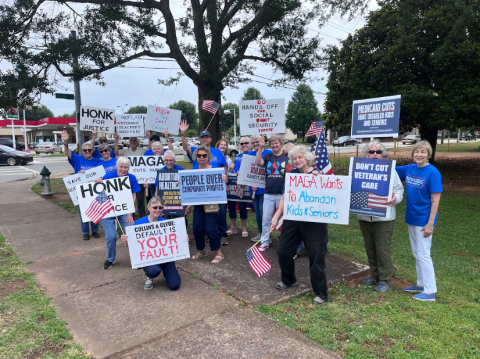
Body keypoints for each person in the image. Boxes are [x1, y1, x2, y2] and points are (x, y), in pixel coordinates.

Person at [270, 145, 329, 305]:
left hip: (314, 223)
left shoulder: (318, 174)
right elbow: (284, 197)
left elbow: (330, 196)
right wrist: (277, 216)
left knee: (316, 255)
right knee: (283, 250)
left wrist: (320, 180)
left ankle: (321, 293)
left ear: (307, 158)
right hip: (293, 218)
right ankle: (288, 280)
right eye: (294, 158)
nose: (297, 160)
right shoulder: (292, 175)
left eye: (300, 157)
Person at [396, 140, 442, 302]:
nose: (419, 155)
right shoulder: (409, 169)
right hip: (411, 217)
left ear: (428, 154)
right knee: (416, 253)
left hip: (424, 220)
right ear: (413, 154)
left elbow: (435, 201)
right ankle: (421, 284)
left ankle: (430, 292)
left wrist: (430, 223)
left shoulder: (433, 173)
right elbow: (386, 171)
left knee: (423, 254)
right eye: (417, 152)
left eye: (423, 152)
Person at [358, 140, 404, 293]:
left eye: (378, 152)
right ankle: (375, 275)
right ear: (367, 154)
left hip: (384, 217)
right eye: (372, 152)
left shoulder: (390, 170)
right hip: (365, 217)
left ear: (383, 154)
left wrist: (394, 199)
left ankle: (385, 279)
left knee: (382, 249)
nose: (375, 154)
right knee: (370, 248)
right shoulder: (359, 169)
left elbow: (399, 190)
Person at [120, 197, 182, 291]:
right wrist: (126, 241)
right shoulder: (139, 223)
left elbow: (175, 241)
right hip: (149, 258)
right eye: (155, 207)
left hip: (166, 258)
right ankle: (150, 277)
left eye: (160, 208)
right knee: (153, 271)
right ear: (149, 208)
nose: (157, 210)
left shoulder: (166, 223)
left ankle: (168, 271)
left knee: (175, 285)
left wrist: (183, 240)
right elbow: (131, 246)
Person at [184, 145, 226, 264]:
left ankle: (218, 252)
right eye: (199, 155)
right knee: (197, 228)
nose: (201, 157)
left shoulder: (214, 170)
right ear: (196, 157)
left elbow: (221, 184)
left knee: (210, 228)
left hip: (211, 204)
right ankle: (201, 251)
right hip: (198, 204)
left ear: (208, 157)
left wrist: (224, 179)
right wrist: (189, 205)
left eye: (204, 155)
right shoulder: (193, 171)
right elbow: (191, 190)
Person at [97, 156, 141, 269]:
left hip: (124, 211)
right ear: (117, 167)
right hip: (108, 211)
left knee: (131, 234)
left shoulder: (132, 178)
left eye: (126, 167)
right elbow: (100, 193)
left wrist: (130, 213)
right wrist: (97, 183)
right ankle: (110, 259)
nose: (123, 169)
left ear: (129, 168)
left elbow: (133, 195)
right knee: (111, 236)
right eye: (121, 167)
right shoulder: (108, 176)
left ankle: (137, 258)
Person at [61, 130, 101, 240]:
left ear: (92, 151)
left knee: (95, 210)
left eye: (89, 150)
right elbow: (67, 152)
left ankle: (95, 230)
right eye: (85, 150)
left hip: (94, 190)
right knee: (83, 212)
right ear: (82, 151)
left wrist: (94, 137)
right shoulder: (77, 159)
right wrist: (65, 142)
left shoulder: (97, 161)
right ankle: (86, 232)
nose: (87, 151)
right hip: (81, 191)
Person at [255, 134, 293, 251]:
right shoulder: (267, 156)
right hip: (269, 193)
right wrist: (260, 149)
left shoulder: (287, 158)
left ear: (280, 143)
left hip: (283, 194)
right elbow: (258, 162)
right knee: (266, 219)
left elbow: (292, 173)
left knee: (284, 221)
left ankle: (286, 242)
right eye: (272, 144)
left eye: (276, 143)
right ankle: (265, 241)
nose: (274, 145)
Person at [115, 134, 147, 218]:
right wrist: (116, 140)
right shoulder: (125, 151)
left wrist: (149, 137)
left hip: (140, 179)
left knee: (140, 199)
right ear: (129, 142)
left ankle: (142, 216)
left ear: (137, 142)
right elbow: (116, 153)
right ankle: (130, 216)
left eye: (134, 140)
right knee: (129, 199)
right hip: (128, 179)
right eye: (131, 141)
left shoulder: (143, 151)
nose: (133, 142)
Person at [247, 135, 272, 242]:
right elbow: (247, 172)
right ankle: (261, 233)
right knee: (257, 212)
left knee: (263, 213)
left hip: (265, 189)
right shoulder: (249, 154)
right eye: (253, 143)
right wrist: (251, 183)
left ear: (261, 141)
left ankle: (267, 236)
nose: (255, 144)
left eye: (257, 142)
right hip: (253, 189)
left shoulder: (269, 153)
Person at [228, 136, 251, 238]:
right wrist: (232, 166)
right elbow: (234, 169)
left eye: (246, 143)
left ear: (250, 144)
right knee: (231, 205)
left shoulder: (253, 155)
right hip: (234, 183)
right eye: (242, 144)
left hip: (245, 184)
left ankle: (244, 228)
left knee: (242, 207)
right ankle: (233, 227)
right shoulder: (238, 156)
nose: (244, 145)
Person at [216, 139, 233, 245]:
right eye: (221, 145)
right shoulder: (211, 155)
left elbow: (225, 170)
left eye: (225, 145)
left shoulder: (226, 159)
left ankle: (223, 234)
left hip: (221, 187)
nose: (223, 146)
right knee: (211, 211)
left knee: (222, 212)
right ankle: (212, 233)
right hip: (210, 189)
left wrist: (226, 184)